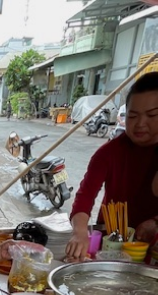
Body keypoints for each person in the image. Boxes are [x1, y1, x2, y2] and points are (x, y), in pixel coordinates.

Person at [66, 72, 158, 261]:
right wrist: (80, 232)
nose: (140, 124)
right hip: (112, 242)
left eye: (152, 115)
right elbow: (84, 197)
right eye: (133, 116)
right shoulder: (108, 153)